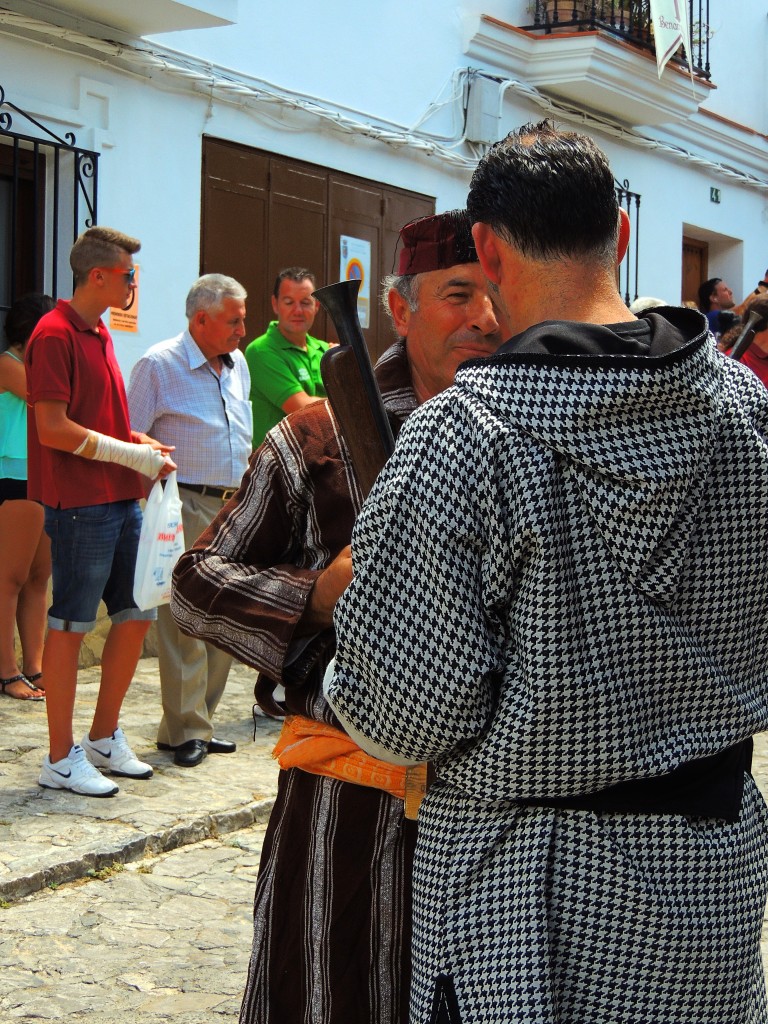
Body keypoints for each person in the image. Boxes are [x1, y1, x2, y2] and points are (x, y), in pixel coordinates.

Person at [327, 122, 768, 1024]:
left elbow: (406, 712)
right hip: (709, 883)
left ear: (486, 250)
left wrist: (346, 670)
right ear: (623, 233)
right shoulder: (748, 413)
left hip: (523, 894)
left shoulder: (463, 435)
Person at [170, 210, 503, 1024]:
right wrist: (317, 594)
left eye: (497, 296)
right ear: (402, 308)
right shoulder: (315, 438)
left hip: (492, 831)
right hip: (339, 818)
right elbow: (195, 582)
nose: (485, 319)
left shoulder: (524, 437)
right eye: (459, 294)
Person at [26, 226, 175, 798]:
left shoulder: (99, 332)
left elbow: (100, 422)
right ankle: (60, 757)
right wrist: (130, 452)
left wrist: (136, 442)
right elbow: (53, 429)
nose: (134, 282)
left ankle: (103, 736)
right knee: (70, 625)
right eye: (128, 274)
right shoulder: (54, 333)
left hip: (119, 496)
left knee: (136, 613)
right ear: (99, 276)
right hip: (79, 505)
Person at [128, 274, 252, 768]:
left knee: (225, 617)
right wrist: (154, 504)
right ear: (201, 319)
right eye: (234, 319)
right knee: (184, 621)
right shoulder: (158, 364)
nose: (243, 329)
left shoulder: (237, 363)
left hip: (234, 504)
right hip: (184, 503)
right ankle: (186, 730)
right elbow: (130, 434)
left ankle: (197, 720)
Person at [0, 293, 54, 701]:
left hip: (45, 477)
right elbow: (47, 401)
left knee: (38, 580)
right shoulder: (9, 365)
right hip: (14, 476)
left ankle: (34, 668)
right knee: (10, 580)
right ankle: (6, 672)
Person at [245, 267, 328, 447]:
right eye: (289, 302)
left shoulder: (325, 351)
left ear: (317, 306)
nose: (298, 310)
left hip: (318, 466)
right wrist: (347, 401)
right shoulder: (261, 351)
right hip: (278, 469)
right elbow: (303, 408)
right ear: (275, 304)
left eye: (305, 302)